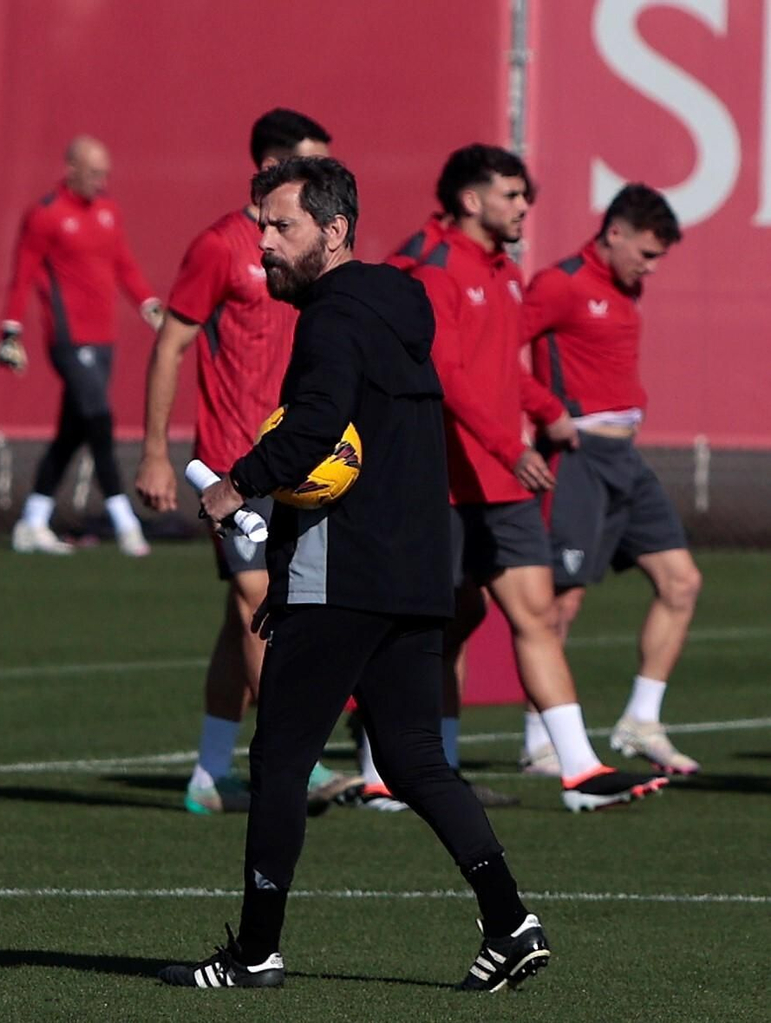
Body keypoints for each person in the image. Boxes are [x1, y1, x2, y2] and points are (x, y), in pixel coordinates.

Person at [161, 156, 549, 992]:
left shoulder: (330, 321)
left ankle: (256, 949)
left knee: (279, 760)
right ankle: (510, 920)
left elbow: (314, 432)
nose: (263, 242)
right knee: (412, 760)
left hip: (344, 574)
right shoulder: (398, 303)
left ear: (333, 233)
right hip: (415, 573)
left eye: (282, 227)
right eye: (262, 224)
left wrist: (236, 485)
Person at [404, 144, 664, 812]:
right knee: (423, 627)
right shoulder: (434, 267)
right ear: (471, 200)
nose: (525, 206)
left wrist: (547, 412)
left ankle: (579, 771)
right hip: (444, 480)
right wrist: (504, 441)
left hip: (502, 481)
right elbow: (445, 373)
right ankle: (390, 772)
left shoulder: (504, 271)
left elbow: (499, 370)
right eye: (513, 195)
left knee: (536, 615)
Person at [135, 108, 356, 814]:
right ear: (269, 167)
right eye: (308, 162)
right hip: (234, 463)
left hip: (299, 457)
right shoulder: (221, 247)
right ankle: (299, 756)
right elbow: (170, 344)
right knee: (260, 602)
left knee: (246, 617)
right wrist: (156, 454)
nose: (321, 176)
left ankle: (207, 773)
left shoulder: (309, 251)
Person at [521, 183, 702, 775]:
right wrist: (545, 415)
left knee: (682, 582)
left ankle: (639, 720)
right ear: (615, 232)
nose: (650, 267)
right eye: (647, 253)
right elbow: (498, 351)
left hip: (627, 457)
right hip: (578, 458)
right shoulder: (560, 282)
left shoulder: (628, 287)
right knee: (561, 601)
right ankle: (539, 741)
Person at [0, 135, 163, 555]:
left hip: (105, 338)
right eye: (93, 173)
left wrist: (148, 304)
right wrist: (10, 330)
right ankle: (125, 521)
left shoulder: (108, 211)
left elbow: (123, 262)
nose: (100, 181)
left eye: (104, 173)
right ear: (71, 169)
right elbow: (22, 274)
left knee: (73, 431)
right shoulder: (46, 215)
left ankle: (32, 522)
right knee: (99, 418)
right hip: (69, 339)